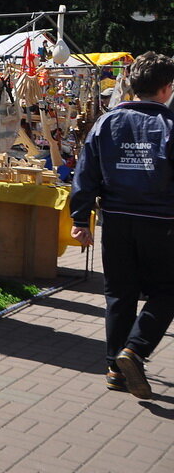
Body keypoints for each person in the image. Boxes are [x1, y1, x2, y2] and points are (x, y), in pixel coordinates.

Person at [70, 51, 174, 398]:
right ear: (166, 88)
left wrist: (80, 218)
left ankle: (116, 369)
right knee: (166, 292)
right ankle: (135, 350)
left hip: (115, 221)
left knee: (119, 295)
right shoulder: (169, 126)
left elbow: (86, 173)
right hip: (161, 222)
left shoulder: (106, 122)